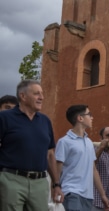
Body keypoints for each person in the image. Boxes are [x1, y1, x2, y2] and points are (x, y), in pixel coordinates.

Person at [0, 79, 63, 211]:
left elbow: (50, 154)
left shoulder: (45, 121)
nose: (42, 97)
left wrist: (56, 184)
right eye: (36, 94)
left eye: (42, 93)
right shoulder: (4, 118)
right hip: (11, 180)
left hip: (40, 183)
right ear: (23, 96)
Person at [55, 104, 109, 211]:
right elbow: (58, 168)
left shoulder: (89, 142)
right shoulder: (64, 142)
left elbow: (93, 169)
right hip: (71, 192)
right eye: (89, 114)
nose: (92, 117)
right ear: (80, 118)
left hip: (88, 196)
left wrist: (102, 195)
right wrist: (56, 187)